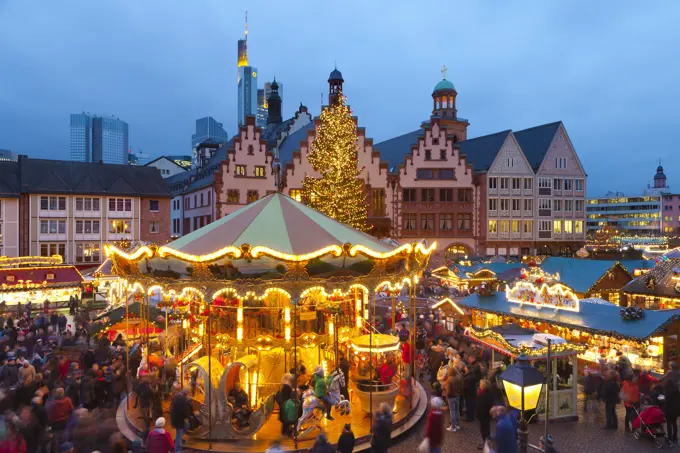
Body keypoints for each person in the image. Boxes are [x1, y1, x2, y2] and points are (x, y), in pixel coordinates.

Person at [170, 388, 192, 453]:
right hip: (179, 419)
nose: (188, 395)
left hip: (177, 418)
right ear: (185, 393)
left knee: (187, 425)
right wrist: (187, 415)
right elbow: (184, 409)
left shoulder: (178, 397)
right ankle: (178, 450)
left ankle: (178, 440)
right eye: (188, 393)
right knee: (179, 433)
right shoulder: (182, 399)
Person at [476, 380, 494, 450]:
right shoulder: (489, 393)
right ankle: (485, 442)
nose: (479, 385)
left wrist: (478, 414)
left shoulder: (483, 395)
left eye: (480, 384)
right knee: (485, 428)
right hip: (486, 415)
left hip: (483, 415)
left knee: (484, 430)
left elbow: (481, 406)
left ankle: (485, 443)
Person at [445, 368, 462, 432]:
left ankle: (453, 427)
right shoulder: (458, 378)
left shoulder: (449, 380)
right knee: (457, 411)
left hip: (451, 397)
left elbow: (448, 391)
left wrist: (447, 396)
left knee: (452, 412)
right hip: (457, 396)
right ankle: (458, 425)